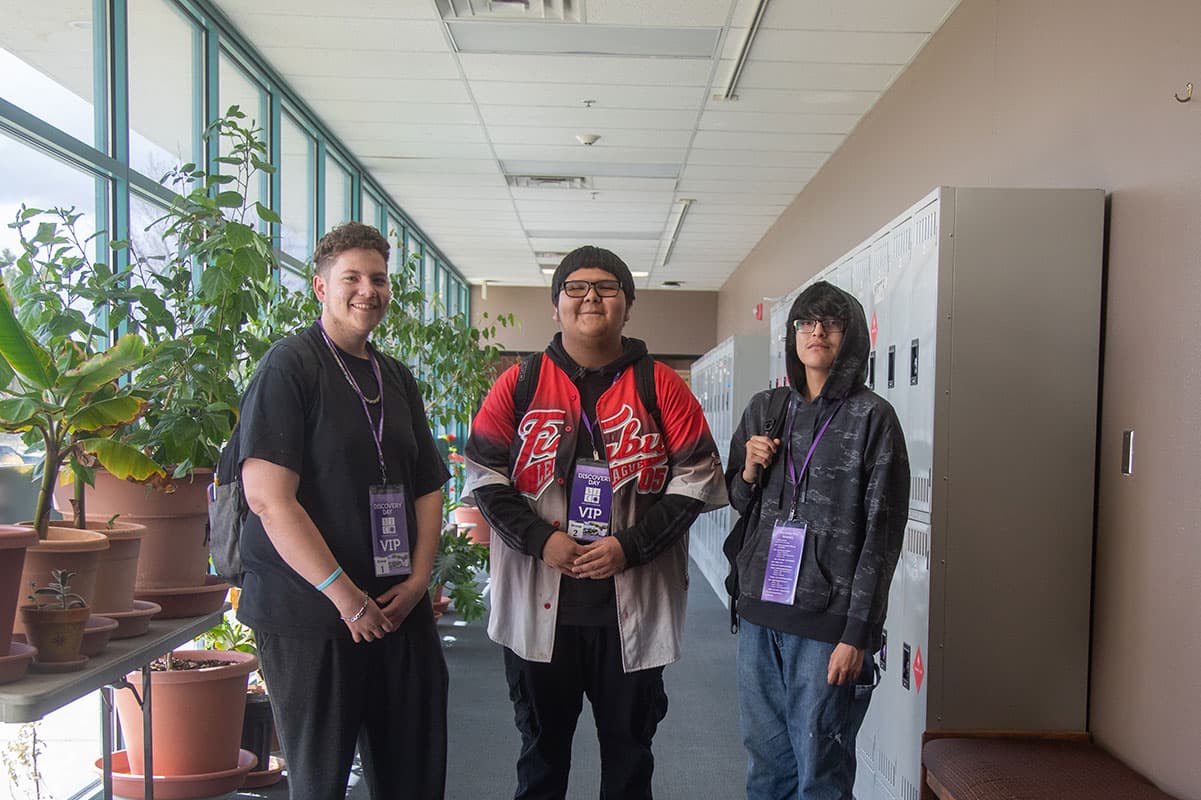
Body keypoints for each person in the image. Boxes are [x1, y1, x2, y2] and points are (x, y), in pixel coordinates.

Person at [464, 246, 728, 799]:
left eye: (607, 288)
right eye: (576, 287)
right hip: (539, 608)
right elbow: (485, 477)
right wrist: (542, 540)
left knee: (629, 762)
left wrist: (629, 547)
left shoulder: (661, 385)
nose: (591, 297)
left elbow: (696, 480)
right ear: (555, 304)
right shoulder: (519, 384)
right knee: (540, 759)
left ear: (627, 306)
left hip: (630, 607)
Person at [236, 222, 449, 800]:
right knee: (321, 780)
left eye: (378, 278)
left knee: (414, 769)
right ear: (319, 287)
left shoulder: (396, 377)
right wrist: (344, 597)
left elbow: (428, 485)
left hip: (396, 607)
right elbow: (267, 498)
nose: (367, 290)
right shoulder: (290, 366)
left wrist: (419, 579)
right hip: (313, 614)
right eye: (351, 277)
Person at [726, 281, 909, 800]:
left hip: (827, 625)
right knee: (767, 769)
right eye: (806, 323)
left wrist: (858, 634)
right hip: (761, 611)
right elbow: (738, 502)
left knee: (820, 773)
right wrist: (748, 472)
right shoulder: (766, 408)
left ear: (850, 337)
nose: (817, 332)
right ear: (793, 335)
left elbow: (883, 535)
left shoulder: (873, 417)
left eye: (831, 323)